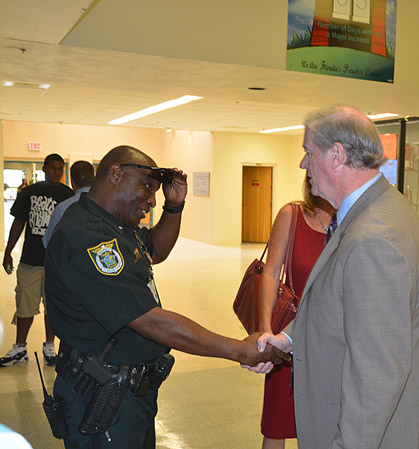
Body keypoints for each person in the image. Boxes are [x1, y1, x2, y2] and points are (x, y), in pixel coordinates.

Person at [44, 145, 289, 448]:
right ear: (116, 174)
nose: (152, 200)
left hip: (126, 394)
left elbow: (155, 250)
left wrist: (175, 207)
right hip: (99, 397)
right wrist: (237, 349)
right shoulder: (84, 235)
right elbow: (149, 321)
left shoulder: (115, 225)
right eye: (147, 187)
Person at [251, 105, 419, 448]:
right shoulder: (376, 211)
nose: (303, 164)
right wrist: (289, 339)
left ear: (336, 155)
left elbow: (376, 378)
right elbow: (345, 307)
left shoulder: (372, 239)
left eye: (309, 153)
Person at [258, 176, 334, 449]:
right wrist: (266, 329)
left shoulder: (350, 222)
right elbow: (271, 273)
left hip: (332, 341)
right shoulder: (292, 215)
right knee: (277, 424)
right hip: (288, 337)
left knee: (324, 425)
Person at [0, 153, 74, 367]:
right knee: (24, 304)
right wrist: (7, 252)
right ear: (44, 168)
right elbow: (19, 223)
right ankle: (20, 348)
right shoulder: (29, 193)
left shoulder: (68, 195)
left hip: (56, 263)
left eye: (60, 169)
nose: (56, 172)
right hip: (30, 260)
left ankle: (49, 347)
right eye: (52, 168)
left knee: (52, 306)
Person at [42, 160, 95, 248]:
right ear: (94, 179)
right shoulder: (108, 205)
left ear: (72, 182)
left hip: (70, 259)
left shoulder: (62, 208)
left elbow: (48, 242)